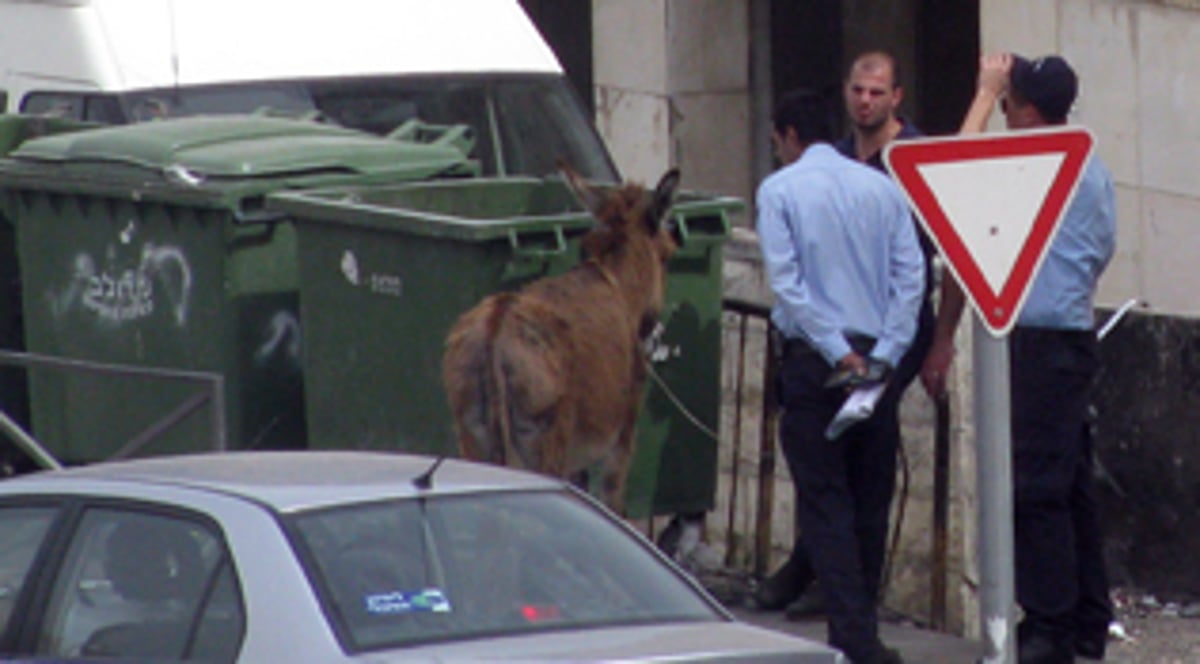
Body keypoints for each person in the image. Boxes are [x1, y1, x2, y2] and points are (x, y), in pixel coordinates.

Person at [920, 53, 1116, 663]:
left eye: (1009, 102)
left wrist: (980, 95)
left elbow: (949, 180)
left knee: (1035, 487)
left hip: (1040, 342)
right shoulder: (1088, 166)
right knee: (1069, 483)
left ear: (1026, 111)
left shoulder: (1039, 164)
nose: (1003, 111)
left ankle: (1052, 625)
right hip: (1066, 337)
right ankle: (1085, 616)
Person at [756, 50, 937, 623]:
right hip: (870, 350)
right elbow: (911, 278)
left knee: (837, 490)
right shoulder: (871, 182)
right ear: (842, 96)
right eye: (857, 91)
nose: (865, 100)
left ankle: (849, 612)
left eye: (876, 92)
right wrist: (875, 357)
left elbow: (790, 286)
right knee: (854, 484)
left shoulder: (788, 188)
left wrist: (856, 357)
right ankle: (845, 606)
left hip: (841, 354)